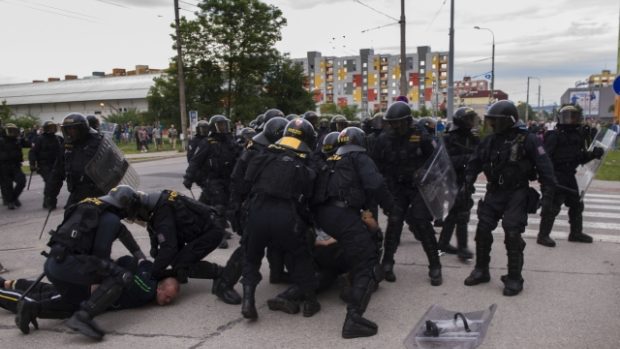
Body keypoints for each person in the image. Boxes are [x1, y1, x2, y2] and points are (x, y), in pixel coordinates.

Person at [19, 192, 147, 339]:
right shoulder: (111, 218)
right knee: (121, 276)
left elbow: (123, 233)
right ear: (126, 206)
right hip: (69, 266)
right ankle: (83, 316)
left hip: (52, 264)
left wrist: (141, 257)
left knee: (75, 302)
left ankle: (33, 308)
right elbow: (100, 256)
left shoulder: (91, 207)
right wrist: (115, 268)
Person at [462, 100, 556, 296]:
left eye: (496, 121)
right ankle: (481, 270)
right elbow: (474, 162)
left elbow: (545, 168)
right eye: (491, 121)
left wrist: (548, 196)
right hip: (495, 192)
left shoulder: (529, 140)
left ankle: (514, 277)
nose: (493, 125)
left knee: (512, 233)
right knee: (483, 230)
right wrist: (467, 182)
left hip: (517, 193)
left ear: (509, 120)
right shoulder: (490, 141)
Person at [313, 126, 395, 338]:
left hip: (322, 216)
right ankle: (354, 319)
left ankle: (295, 294)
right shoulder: (359, 157)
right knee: (368, 262)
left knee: (336, 256)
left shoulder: (330, 159)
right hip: (344, 215)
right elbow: (376, 184)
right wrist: (391, 208)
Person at [238, 118, 320, 320]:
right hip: (286, 214)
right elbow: (310, 194)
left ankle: (248, 300)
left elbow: (245, 181)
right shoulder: (307, 162)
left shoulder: (264, 154)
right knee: (301, 257)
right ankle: (310, 302)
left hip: (257, 209)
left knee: (251, 257)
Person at [212, 116, 290, 306]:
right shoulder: (256, 150)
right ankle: (223, 283)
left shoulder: (265, 147)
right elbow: (240, 182)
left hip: (261, 202)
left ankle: (277, 272)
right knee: (249, 246)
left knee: (275, 237)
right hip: (248, 204)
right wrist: (237, 210)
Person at [371, 102, 441, 286]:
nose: (395, 126)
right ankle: (387, 262)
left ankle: (435, 265)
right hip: (397, 186)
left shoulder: (422, 137)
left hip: (418, 187)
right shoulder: (384, 139)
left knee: (421, 221)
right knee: (394, 220)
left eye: (398, 123)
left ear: (408, 121)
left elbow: (436, 162)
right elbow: (377, 165)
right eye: (391, 123)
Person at [105, 186, 227, 286]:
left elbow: (168, 248)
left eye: (136, 216)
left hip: (211, 232)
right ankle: (181, 273)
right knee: (162, 256)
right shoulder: (156, 202)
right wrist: (154, 248)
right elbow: (153, 227)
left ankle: (223, 274)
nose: (137, 218)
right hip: (204, 228)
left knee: (180, 265)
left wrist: (152, 273)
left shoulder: (162, 211)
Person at [2, 256, 179, 317]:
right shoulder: (147, 292)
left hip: (89, 283)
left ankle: (8, 283)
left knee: (49, 290)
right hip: (88, 293)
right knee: (37, 302)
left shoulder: (147, 270)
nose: (168, 301)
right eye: (168, 296)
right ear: (159, 288)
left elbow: (129, 261)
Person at [537, 105, 605, 247]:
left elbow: (579, 157)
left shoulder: (578, 136)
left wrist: (593, 154)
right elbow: (544, 158)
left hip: (571, 176)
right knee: (553, 207)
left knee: (577, 204)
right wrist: (547, 178)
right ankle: (543, 235)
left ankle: (575, 233)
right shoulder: (553, 135)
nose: (570, 120)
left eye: (573, 116)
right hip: (557, 175)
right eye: (567, 116)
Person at [183, 115, 241, 248]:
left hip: (228, 179)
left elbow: (240, 156)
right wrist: (188, 178)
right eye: (220, 125)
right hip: (213, 179)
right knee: (219, 206)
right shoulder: (207, 143)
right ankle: (218, 236)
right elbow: (195, 161)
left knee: (218, 206)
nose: (223, 128)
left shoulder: (230, 141)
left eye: (224, 125)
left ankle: (201, 225)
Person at [437, 107, 480, 260]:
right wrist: (468, 158)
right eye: (468, 119)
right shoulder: (449, 138)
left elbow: (480, 156)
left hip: (467, 180)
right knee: (461, 214)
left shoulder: (473, 138)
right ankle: (462, 248)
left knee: (455, 214)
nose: (471, 123)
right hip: (451, 180)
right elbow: (444, 161)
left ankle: (443, 243)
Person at [45, 113, 106, 208]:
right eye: (68, 129)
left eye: (74, 129)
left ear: (82, 128)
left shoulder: (98, 141)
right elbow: (58, 172)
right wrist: (51, 195)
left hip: (99, 192)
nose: (71, 132)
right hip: (77, 191)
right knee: (69, 218)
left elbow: (113, 164)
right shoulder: (67, 146)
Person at [29, 121, 64, 209]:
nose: (52, 129)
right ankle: (50, 201)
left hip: (56, 164)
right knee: (50, 182)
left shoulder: (58, 138)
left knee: (58, 183)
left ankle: (48, 199)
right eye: (50, 128)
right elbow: (32, 152)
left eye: (53, 127)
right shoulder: (40, 139)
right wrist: (32, 164)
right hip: (44, 165)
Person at [0, 123, 27, 210]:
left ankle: (13, 198)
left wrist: (23, 138)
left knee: (21, 181)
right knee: (7, 186)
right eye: (10, 131)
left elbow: (28, 144)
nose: (12, 133)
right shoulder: (1, 141)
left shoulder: (17, 141)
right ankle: (10, 202)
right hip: (4, 166)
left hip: (16, 165)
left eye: (14, 131)